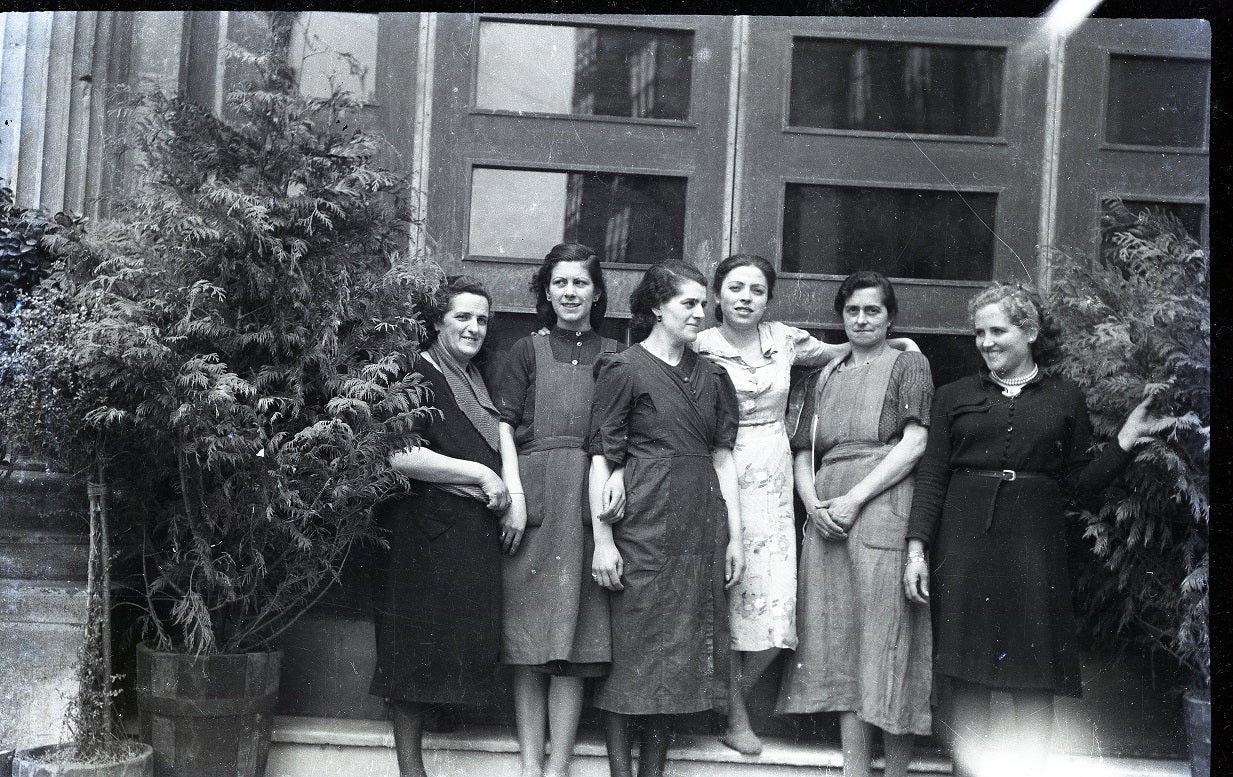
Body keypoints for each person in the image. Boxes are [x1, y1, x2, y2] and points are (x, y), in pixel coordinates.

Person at [903, 282, 1157, 777]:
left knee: (1033, 670)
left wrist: (1124, 440)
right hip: (963, 539)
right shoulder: (953, 395)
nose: (986, 341)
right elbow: (932, 477)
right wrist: (916, 551)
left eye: (998, 330)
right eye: (979, 332)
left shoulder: (1065, 397)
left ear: (1031, 332)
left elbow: (1081, 484)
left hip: (1033, 542)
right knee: (965, 667)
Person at [693, 255, 919, 755]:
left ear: (769, 299)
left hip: (774, 475)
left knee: (779, 610)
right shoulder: (698, 345)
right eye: (735, 288)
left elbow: (846, 347)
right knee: (727, 593)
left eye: (756, 289)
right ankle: (734, 714)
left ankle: (727, 697)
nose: (745, 297)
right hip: (718, 466)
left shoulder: (785, 340)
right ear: (717, 296)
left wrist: (898, 343)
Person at [588, 261, 745, 777]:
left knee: (678, 649)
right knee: (633, 648)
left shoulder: (714, 376)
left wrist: (734, 538)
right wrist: (603, 541)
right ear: (656, 307)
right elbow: (603, 458)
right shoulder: (624, 368)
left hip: (698, 524)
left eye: (704, 303)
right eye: (689, 303)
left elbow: (723, 458)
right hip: (642, 520)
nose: (701, 312)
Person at [776, 271, 934, 777]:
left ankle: (897, 770)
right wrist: (814, 505)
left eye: (873, 311)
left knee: (888, 636)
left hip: (882, 502)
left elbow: (914, 444)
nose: (862, 320)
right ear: (841, 316)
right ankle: (855, 770)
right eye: (853, 311)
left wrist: (854, 499)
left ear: (890, 316)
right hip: (828, 517)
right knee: (838, 638)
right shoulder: (826, 373)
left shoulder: (909, 364)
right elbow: (801, 450)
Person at [369, 276, 511, 777]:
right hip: (423, 529)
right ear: (435, 323)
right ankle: (412, 770)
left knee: (450, 645)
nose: (475, 328)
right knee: (413, 651)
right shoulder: (415, 371)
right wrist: (480, 472)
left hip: (467, 532)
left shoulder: (477, 378)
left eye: (483, 319)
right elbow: (398, 454)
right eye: (462, 318)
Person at [493, 243, 622, 777]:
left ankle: (559, 768)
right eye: (560, 283)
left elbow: (619, 435)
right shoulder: (526, 350)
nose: (571, 293)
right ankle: (529, 767)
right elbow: (504, 424)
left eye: (581, 283)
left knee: (572, 642)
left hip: (588, 504)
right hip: (534, 498)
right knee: (528, 643)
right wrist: (515, 494)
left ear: (596, 291)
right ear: (546, 292)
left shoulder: (616, 353)